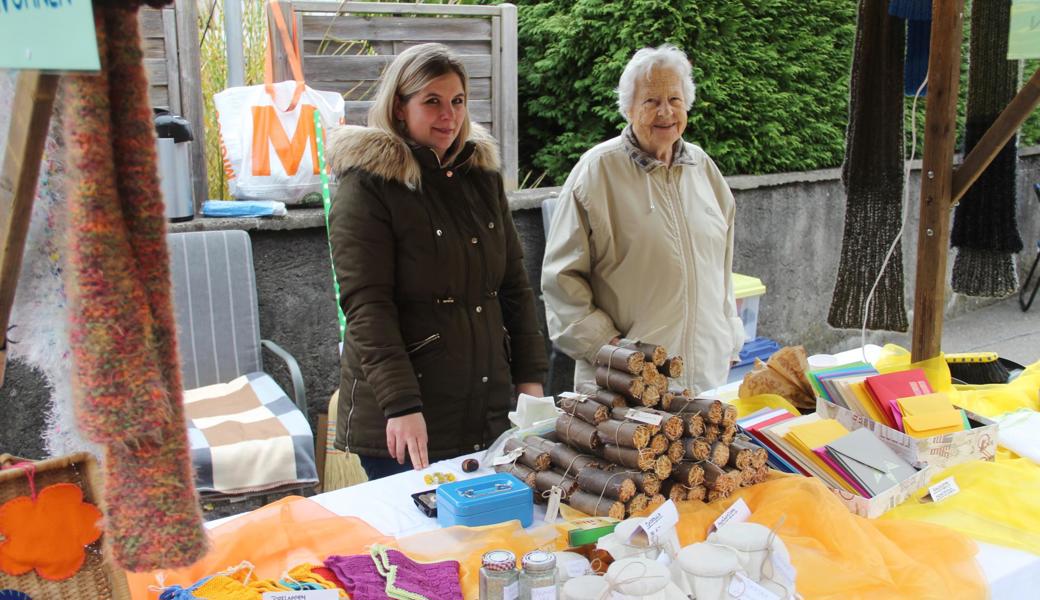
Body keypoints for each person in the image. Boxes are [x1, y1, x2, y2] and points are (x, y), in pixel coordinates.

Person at [326, 43, 548, 480]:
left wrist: (530, 380)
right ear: (398, 107)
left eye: (458, 101)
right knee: (418, 542)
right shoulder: (367, 186)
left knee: (486, 537)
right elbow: (367, 306)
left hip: (486, 406)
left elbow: (514, 288)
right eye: (432, 101)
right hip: (406, 417)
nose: (449, 115)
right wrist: (402, 405)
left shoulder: (481, 179)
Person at [542, 44, 744, 395]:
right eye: (651, 101)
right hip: (625, 385)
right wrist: (609, 347)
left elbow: (720, 268)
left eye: (675, 99)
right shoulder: (597, 171)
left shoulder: (705, 169)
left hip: (706, 383)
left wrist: (729, 337)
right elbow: (561, 279)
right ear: (629, 108)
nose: (665, 111)